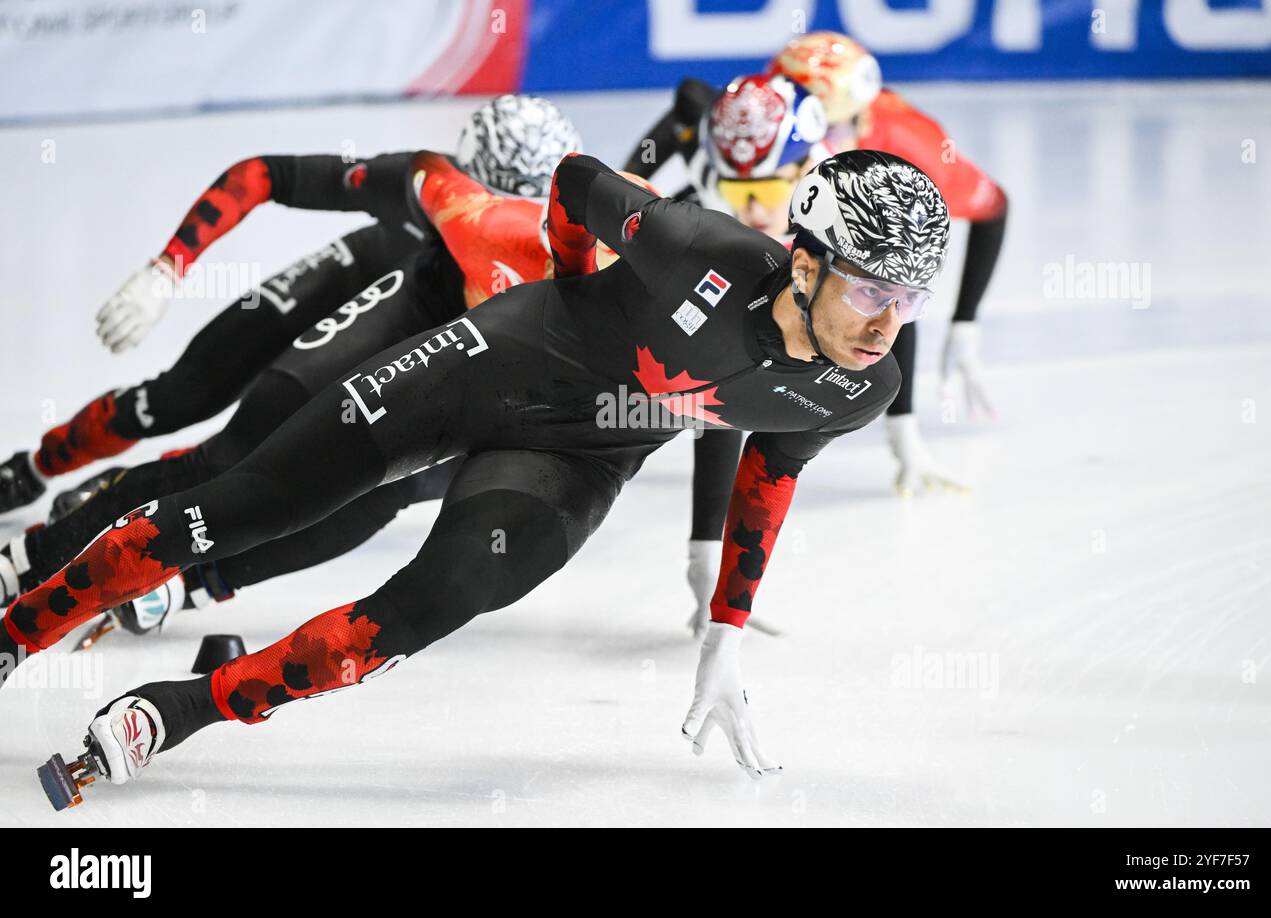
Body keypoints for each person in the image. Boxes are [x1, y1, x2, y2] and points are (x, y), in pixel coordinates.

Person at [5, 148, 949, 798]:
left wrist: (725, 634)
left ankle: (182, 712)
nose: (886, 322)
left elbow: (768, 478)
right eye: (870, 288)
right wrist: (572, 283)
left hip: (577, 460)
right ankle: (15, 633)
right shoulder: (701, 250)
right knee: (239, 506)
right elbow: (576, 182)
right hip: (496, 358)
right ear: (804, 263)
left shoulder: (859, 389)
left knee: (426, 605)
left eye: (908, 297)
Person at [0, 96, 582, 622]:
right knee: (196, 411)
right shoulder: (443, 195)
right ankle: (39, 483)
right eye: (487, 205)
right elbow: (267, 174)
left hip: (477, 366)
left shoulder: (601, 268)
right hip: (399, 287)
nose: (503, 228)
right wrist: (168, 267)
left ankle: (192, 580)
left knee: (377, 489)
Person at [627, 30, 1009, 497]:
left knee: (866, 284)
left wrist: (964, 323)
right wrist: (632, 184)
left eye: (842, 126)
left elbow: (894, 292)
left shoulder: (904, 156)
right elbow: (689, 102)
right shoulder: (751, 124)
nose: (840, 140)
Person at [625, 72, 830, 635]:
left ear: (804, 173)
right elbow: (689, 94)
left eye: (768, 193)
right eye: (740, 194)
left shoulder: (833, 203)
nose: (757, 211)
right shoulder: (703, 168)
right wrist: (633, 176)